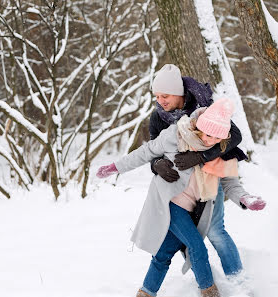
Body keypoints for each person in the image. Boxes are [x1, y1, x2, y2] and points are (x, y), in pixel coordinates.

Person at [96, 98, 266, 297]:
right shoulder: (176, 135)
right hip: (170, 203)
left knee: (163, 255)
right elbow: (146, 151)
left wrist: (245, 198)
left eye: (218, 137)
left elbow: (230, 183)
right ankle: (210, 292)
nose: (211, 141)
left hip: (193, 210)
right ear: (198, 126)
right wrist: (116, 167)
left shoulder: (221, 151)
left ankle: (146, 292)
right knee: (197, 248)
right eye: (208, 134)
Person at [148, 64, 264, 278]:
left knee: (214, 231)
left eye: (165, 95)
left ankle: (237, 281)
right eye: (156, 96)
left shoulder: (203, 106)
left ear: (179, 93)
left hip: (210, 177)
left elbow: (234, 136)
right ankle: (208, 282)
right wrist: (157, 165)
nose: (160, 101)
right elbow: (151, 151)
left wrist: (201, 156)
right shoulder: (157, 118)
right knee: (188, 237)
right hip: (180, 187)